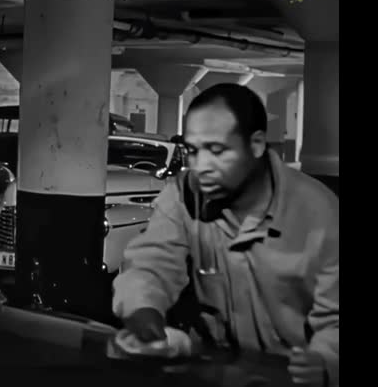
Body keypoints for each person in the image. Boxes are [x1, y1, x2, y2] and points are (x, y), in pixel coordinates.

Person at [112, 84, 338, 387]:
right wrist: (143, 308)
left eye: (217, 151)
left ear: (256, 144)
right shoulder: (183, 194)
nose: (201, 167)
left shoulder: (320, 214)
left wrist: (324, 362)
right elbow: (151, 263)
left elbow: (336, 319)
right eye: (193, 151)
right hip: (210, 373)